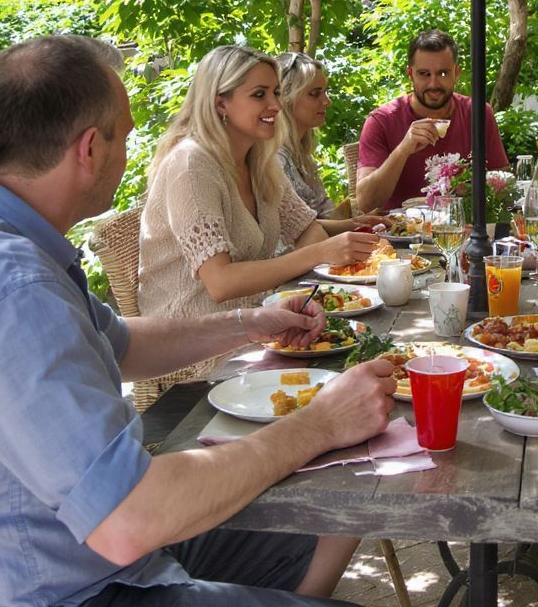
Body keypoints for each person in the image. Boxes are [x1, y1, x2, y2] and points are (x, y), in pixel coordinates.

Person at [0, 35, 397, 607]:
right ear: (90, 148)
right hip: (67, 587)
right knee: (328, 473)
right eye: (127, 135)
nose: (133, 152)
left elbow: (119, 343)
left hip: (82, 554)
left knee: (336, 500)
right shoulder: (9, 287)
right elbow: (128, 517)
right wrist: (317, 425)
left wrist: (250, 323)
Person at [139, 45, 380, 375]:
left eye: (277, 93)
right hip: (192, 347)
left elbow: (308, 231)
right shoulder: (191, 165)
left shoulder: (259, 161)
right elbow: (220, 283)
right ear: (220, 101)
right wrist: (321, 252)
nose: (276, 105)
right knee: (346, 374)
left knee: (368, 354)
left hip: (257, 325)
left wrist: (333, 256)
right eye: (259, 95)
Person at [356, 29, 509, 212]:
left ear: (456, 73)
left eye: (443, 73)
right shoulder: (382, 121)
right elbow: (365, 202)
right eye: (424, 74)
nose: (434, 84)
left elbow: (504, 187)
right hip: (400, 235)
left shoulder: (478, 113)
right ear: (410, 74)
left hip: (464, 230)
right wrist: (403, 149)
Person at [275, 51, 384, 235]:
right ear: (287, 98)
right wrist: (356, 224)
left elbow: (325, 215)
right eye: (314, 94)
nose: (327, 101)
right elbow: (297, 228)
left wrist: (361, 221)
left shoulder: (302, 153)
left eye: (325, 92)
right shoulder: (276, 158)